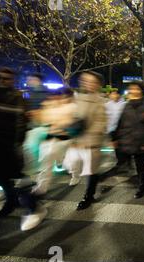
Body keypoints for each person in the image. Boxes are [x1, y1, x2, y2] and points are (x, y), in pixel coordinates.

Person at [0, 66, 46, 231]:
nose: (3, 81)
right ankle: (12, 202)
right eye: (0, 77)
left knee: (17, 179)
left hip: (6, 147)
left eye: (7, 78)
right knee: (5, 179)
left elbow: (18, 124)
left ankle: (34, 207)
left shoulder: (14, 97)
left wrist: (16, 144)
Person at [62, 71, 107, 210]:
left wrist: (87, 139)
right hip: (77, 140)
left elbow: (101, 123)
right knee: (72, 164)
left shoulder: (101, 101)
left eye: (92, 81)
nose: (88, 84)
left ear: (98, 85)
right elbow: (71, 117)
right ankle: (85, 184)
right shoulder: (77, 98)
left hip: (91, 142)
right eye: (85, 81)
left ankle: (88, 195)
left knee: (90, 171)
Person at [111, 81, 144, 199]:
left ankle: (142, 187)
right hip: (128, 139)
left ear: (141, 90)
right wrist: (115, 138)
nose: (134, 91)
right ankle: (139, 181)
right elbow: (120, 122)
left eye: (136, 89)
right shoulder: (126, 105)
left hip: (142, 143)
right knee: (126, 163)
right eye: (131, 89)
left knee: (142, 166)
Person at [31, 88, 78, 195]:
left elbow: (69, 123)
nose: (62, 99)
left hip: (65, 139)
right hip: (50, 138)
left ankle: (75, 175)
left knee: (69, 162)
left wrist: (59, 121)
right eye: (61, 96)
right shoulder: (51, 105)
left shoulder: (73, 107)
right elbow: (43, 121)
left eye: (65, 96)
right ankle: (42, 187)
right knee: (46, 162)